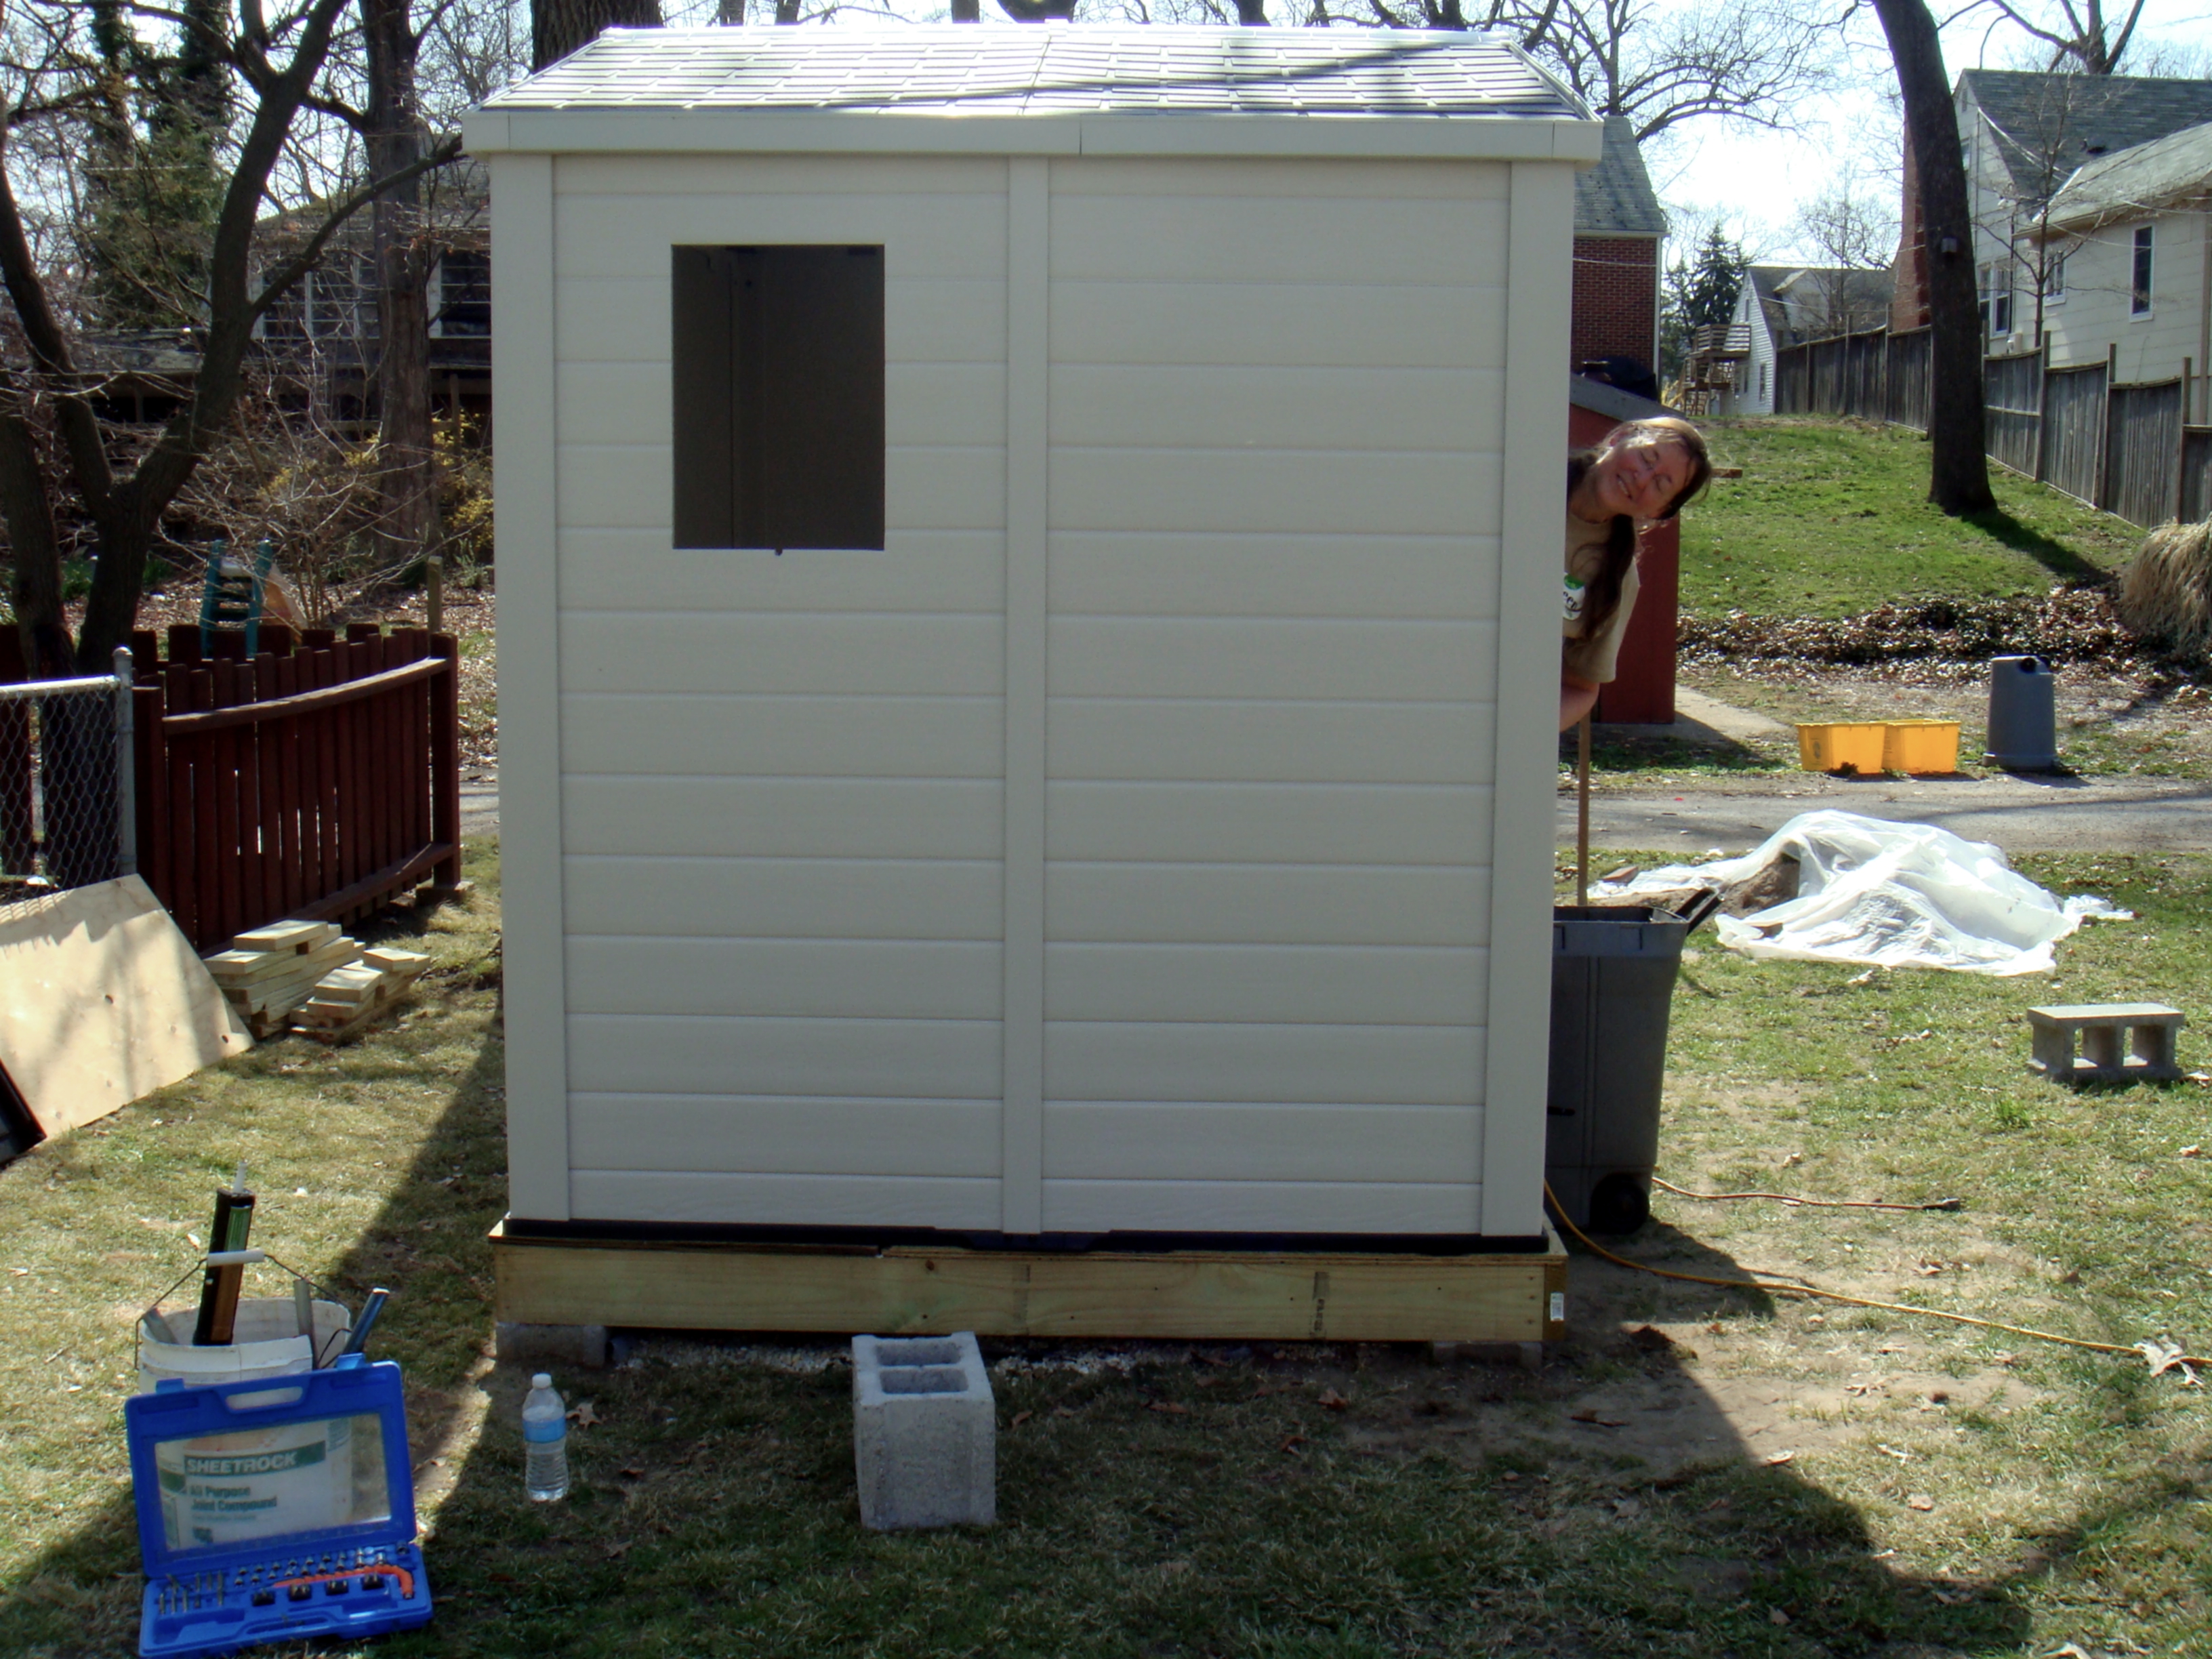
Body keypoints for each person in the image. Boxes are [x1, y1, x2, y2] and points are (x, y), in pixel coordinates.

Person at [1559, 416, 1711, 732]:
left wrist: (1517, 737)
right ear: (1620, 437)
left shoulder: (1616, 578)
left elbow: (1581, 688)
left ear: (1660, 511)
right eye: (1646, 457)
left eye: (1660, 484)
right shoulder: (1525, 482)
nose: (1641, 479)